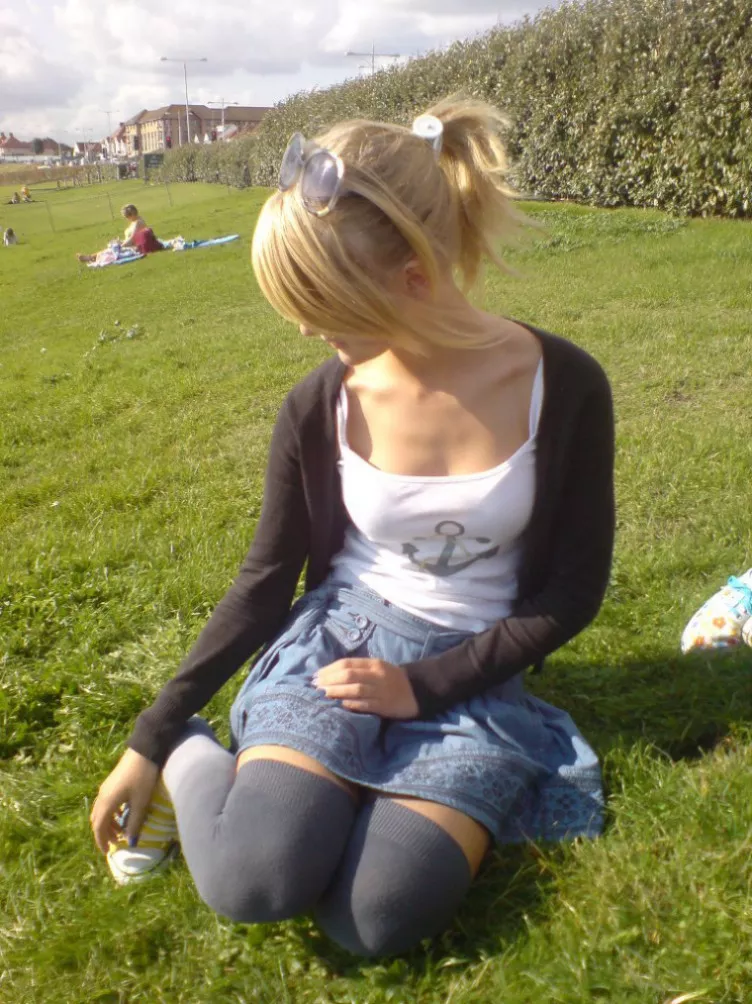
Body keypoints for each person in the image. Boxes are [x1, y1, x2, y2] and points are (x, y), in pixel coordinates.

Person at [90, 97, 615, 957]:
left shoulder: (563, 386)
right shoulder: (319, 404)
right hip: (341, 645)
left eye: (323, 302)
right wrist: (155, 734)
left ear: (413, 276)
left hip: (474, 674)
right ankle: (198, 752)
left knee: (377, 918)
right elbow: (266, 582)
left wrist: (427, 686)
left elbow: (571, 591)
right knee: (257, 880)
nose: (302, 327)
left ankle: (360, 785)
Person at [75, 204, 155, 263]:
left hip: (135, 247)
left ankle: (89, 258)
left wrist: (121, 245)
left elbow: (133, 238)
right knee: (111, 248)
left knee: (110, 250)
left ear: (131, 215)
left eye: (126, 217)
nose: (126, 219)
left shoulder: (138, 223)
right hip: (130, 244)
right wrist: (121, 242)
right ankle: (90, 257)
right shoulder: (135, 221)